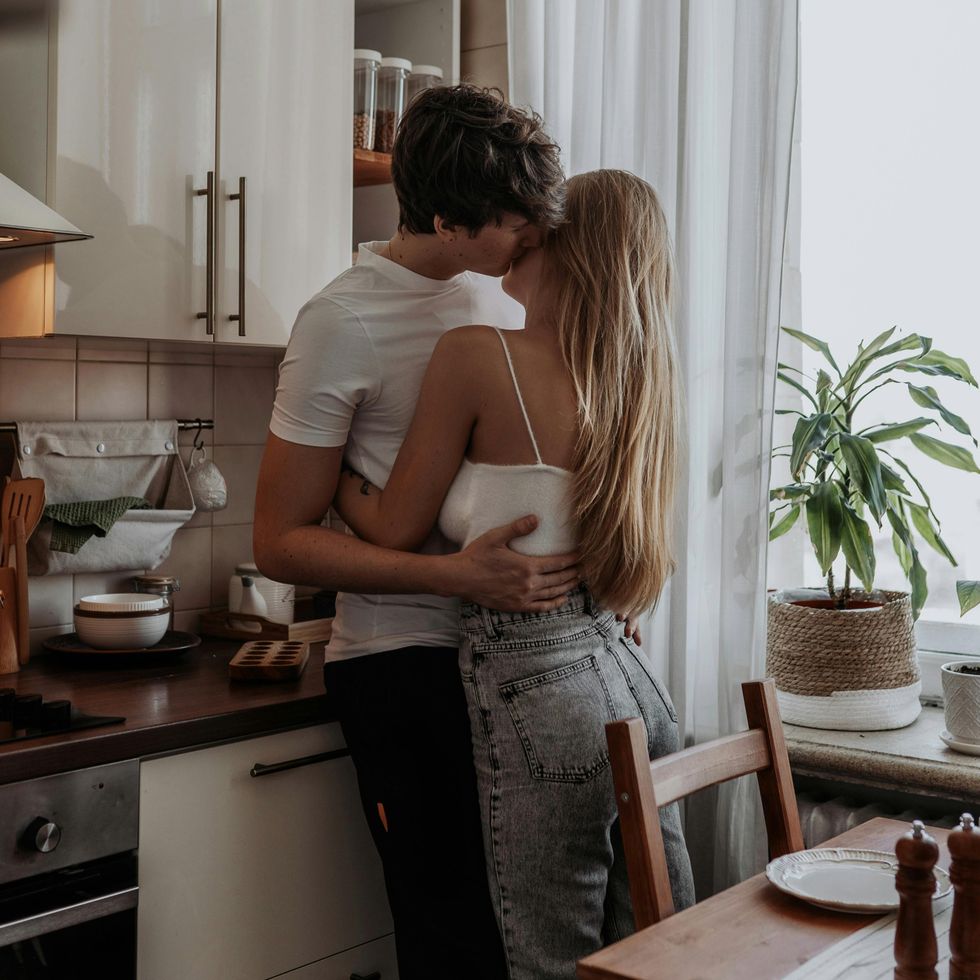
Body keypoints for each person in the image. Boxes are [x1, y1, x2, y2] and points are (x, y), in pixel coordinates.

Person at [332, 169, 696, 979]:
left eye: (536, 228)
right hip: (629, 677)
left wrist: (337, 477)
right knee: (655, 952)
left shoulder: (476, 353)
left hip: (541, 692)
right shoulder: (637, 387)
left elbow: (395, 525)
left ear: (565, 248)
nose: (515, 240)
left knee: (549, 962)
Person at [253, 85, 576, 980]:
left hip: (515, 661)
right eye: (514, 220)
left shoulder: (505, 300)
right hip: (403, 666)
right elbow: (278, 542)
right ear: (447, 221)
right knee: (451, 937)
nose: (535, 233)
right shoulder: (341, 322)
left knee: (523, 937)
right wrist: (454, 578)